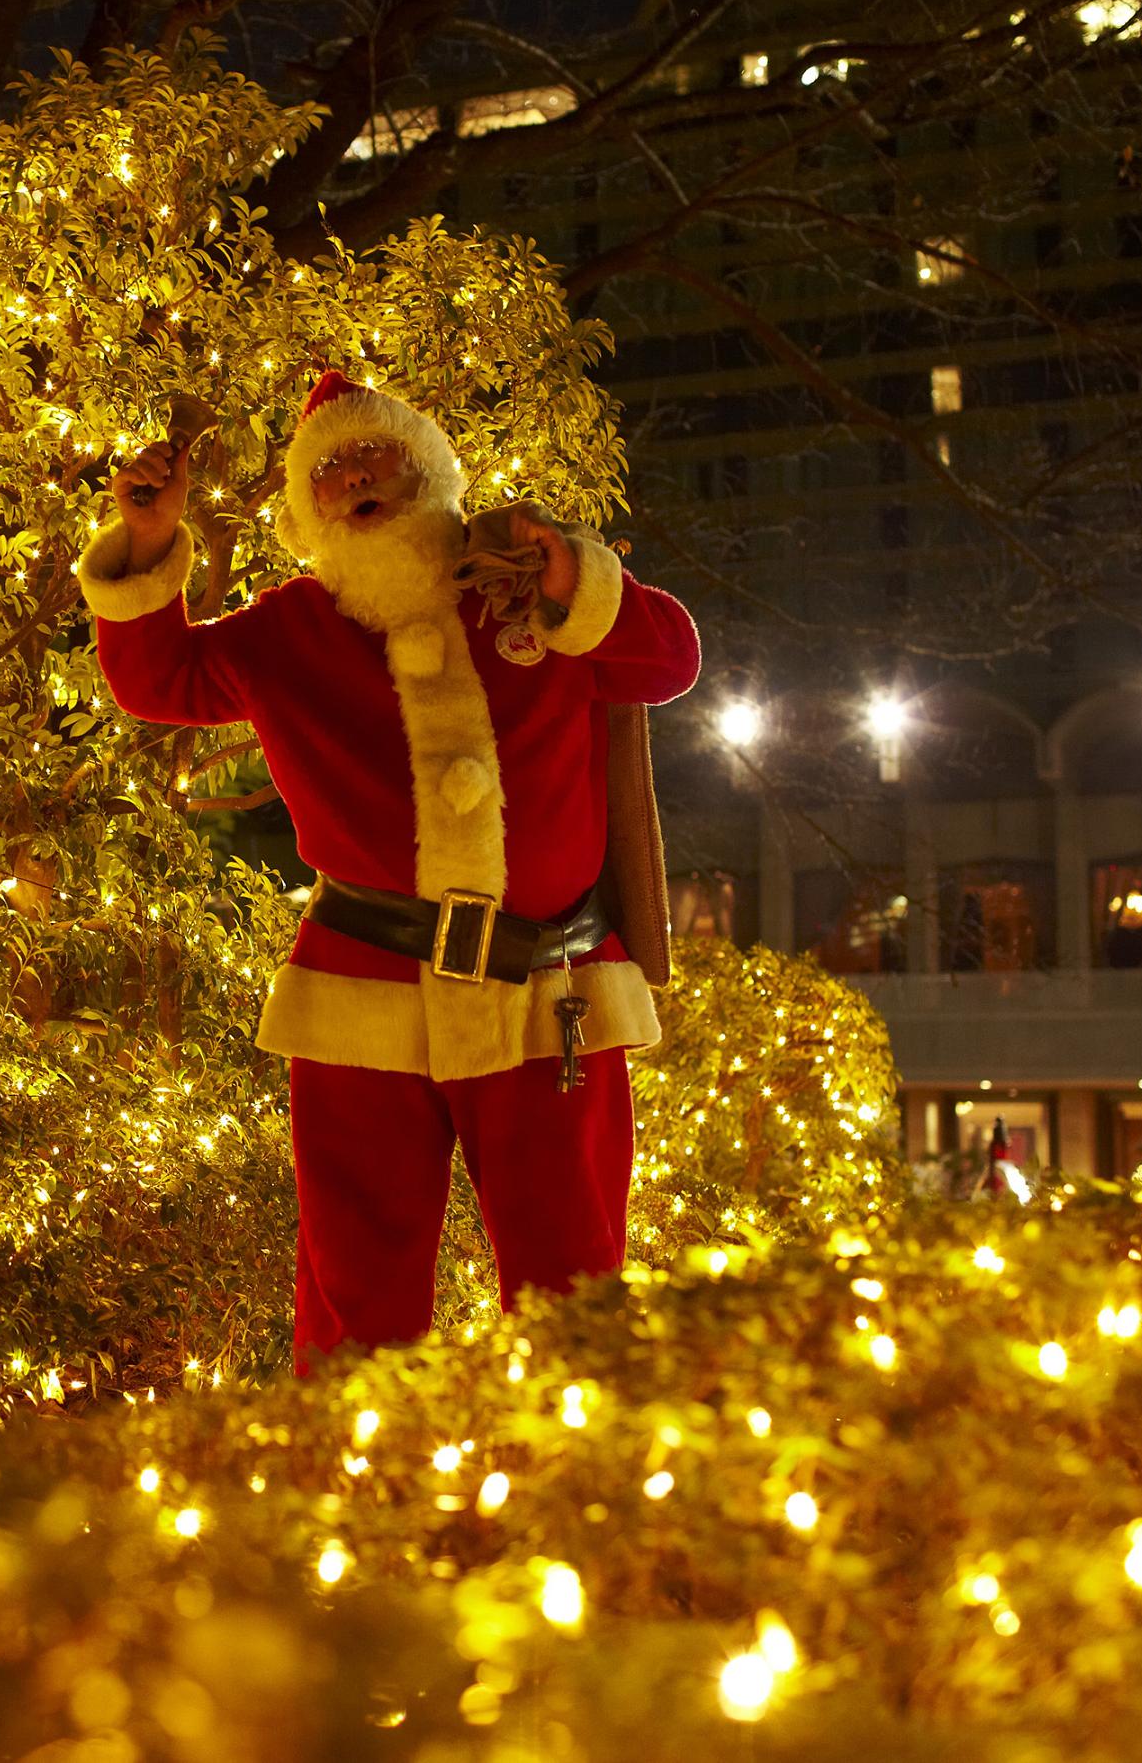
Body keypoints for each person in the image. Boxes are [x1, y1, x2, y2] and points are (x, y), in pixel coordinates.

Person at [74, 371, 702, 1370]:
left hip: (552, 991)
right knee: (356, 1299)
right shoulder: (288, 628)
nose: (354, 472)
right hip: (360, 994)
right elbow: (159, 681)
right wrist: (149, 540)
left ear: (430, 471)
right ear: (308, 506)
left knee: (575, 1292)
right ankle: (355, 1463)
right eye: (327, 466)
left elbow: (670, 663)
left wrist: (577, 582)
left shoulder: (528, 583)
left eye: (376, 452)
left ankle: (573, 1460)